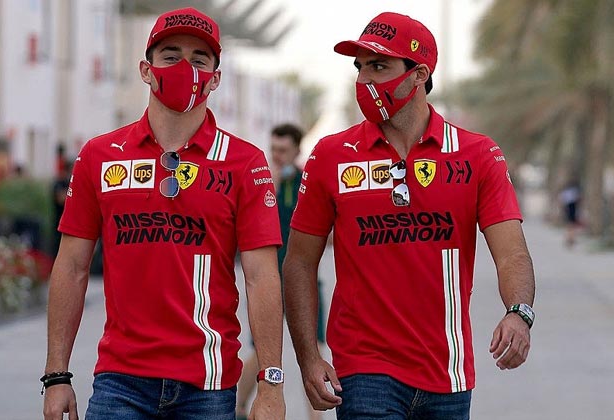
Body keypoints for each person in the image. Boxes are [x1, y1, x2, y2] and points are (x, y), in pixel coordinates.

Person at [283, 12, 536, 420]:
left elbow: (512, 254)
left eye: (379, 67)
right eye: (360, 67)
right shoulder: (331, 155)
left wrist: (519, 313)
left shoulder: (477, 155)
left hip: (447, 373)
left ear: (419, 74)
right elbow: (298, 261)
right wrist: (308, 358)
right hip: (364, 370)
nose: (364, 80)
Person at [42, 8, 286, 420]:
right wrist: (56, 375)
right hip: (120, 382)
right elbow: (71, 267)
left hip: (207, 385)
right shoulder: (99, 157)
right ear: (146, 69)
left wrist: (271, 383)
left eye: (199, 59)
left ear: (216, 77)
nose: (185, 68)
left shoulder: (245, 162)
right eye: (171, 56)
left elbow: (261, 276)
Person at [236, 124, 325, 420]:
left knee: (313, 351)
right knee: (260, 352)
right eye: (273, 149)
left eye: (283, 151)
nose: (277, 156)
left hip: (302, 281)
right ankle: (236, 407)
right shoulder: (261, 182)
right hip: (268, 280)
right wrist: (270, 186)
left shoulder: (306, 183)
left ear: (298, 151)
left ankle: (316, 416)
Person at [558, 178, 581, 248]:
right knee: (572, 224)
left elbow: (562, 200)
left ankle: (570, 238)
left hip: (568, 208)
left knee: (569, 224)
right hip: (572, 208)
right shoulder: (574, 191)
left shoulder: (566, 191)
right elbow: (578, 199)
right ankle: (571, 238)